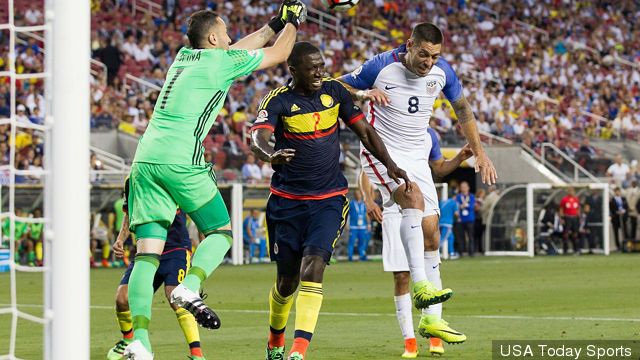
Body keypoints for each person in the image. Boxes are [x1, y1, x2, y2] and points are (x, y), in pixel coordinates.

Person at [124, 4, 307, 358]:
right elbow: (282, 52)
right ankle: (189, 287)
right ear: (212, 38)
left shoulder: (185, 57)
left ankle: (140, 342)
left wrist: (276, 21)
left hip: (145, 160)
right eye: (224, 33)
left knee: (146, 256)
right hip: (180, 159)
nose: (229, 38)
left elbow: (240, 47)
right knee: (220, 232)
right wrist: (295, 19)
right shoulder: (221, 62)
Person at [339, 22, 497, 344]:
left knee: (432, 231)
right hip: (381, 150)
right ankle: (422, 286)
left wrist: (480, 154)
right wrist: (362, 93)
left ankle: (432, 321)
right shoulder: (381, 66)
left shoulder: (443, 73)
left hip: (416, 153)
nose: (428, 62)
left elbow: (463, 110)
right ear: (409, 44)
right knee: (412, 200)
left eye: (435, 57)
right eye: (423, 54)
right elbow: (335, 87)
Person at [251, 42, 410, 360]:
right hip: (287, 202)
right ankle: (275, 337)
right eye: (313, 67)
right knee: (286, 282)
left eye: (322, 65)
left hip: (328, 200)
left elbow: (364, 131)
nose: (320, 72)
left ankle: (299, 350)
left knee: (314, 266)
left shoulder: (335, 92)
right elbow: (258, 136)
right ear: (293, 70)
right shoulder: (279, 101)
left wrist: (389, 163)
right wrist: (271, 155)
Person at [360, 131, 472, 357]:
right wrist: (368, 198)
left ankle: (433, 332)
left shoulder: (431, 135)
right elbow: (366, 167)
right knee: (402, 275)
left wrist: (460, 157)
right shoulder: (388, 126)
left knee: (432, 265)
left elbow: (438, 168)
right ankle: (409, 342)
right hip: (393, 209)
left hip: (425, 206)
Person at [108, 178, 205, 360]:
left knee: (175, 297)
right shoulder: (132, 181)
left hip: (175, 248)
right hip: (146, 249)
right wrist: (121, 238)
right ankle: (129, 341)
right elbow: (129, 212)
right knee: (122, 298)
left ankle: (197, 355)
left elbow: (197, 211)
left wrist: (202, 254)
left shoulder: (172, 175)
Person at [347, 190, 370, 261]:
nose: (358, 195)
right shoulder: (351, 204)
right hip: (353, 226)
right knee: (351, 242)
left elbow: (366, 214)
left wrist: (369, 224)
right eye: (356, 194)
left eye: (359, 194)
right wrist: (346, 225)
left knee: (362, 241)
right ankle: (350, 257)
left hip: (363, 226)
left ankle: (362, 255)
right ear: (354, 195)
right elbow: (347, 215)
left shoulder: (364, 204)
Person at [455, 181, 476, 256]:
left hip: (470, 219)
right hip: (460, 220)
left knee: (470, 236)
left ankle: (471, 252)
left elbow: (472, 206)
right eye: (462, 187)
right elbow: (456, 207)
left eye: (465, 187)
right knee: (460, 237)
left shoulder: (472, 196)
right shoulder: (458, 197)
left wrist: (466, 205)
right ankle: (461, 252)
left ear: (468, 188)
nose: (463, 189)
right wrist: (460, 207)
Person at [559, 187, 580, 255]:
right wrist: (562, 218)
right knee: (566, 234)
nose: (571, 192)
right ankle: (565, 250)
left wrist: (578, 217)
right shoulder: (564, 199)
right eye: (569, 191)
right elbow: (561, 209)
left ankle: (576, 250)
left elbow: (578, 209)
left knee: (575, 234)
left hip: (575, 218)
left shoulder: (576, 199)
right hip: (567, 217)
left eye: (572, 191)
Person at [609, 187, 629, 252]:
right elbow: (611, 209)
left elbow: (626, 207)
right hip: (615, 219)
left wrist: (624, 211)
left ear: (620, 192)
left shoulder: (623, 199)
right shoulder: (612, 200)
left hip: (623, 218)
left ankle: (626, 245)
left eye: (618, 191)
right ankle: (618, 246)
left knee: (624, 232)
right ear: (614, 192)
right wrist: (616, 212)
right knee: (616, 233)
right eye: (616, 191)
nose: (617, 192)